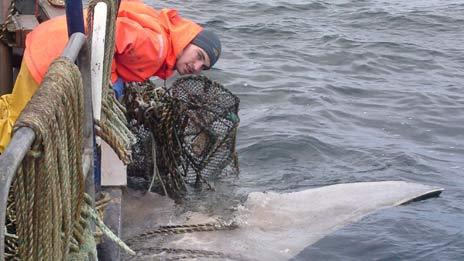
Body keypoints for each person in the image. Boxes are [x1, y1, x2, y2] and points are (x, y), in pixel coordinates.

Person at [0, 0, 222, 152]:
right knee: (22, 127)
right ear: (188, 40)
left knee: (16, 109)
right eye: (199, 55)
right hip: (53, 58)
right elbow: (109, 35)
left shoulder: (162, 30)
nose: (197, 66)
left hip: (52, 40)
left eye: (204, 66)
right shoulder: (157, 47)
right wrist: (111, 82)